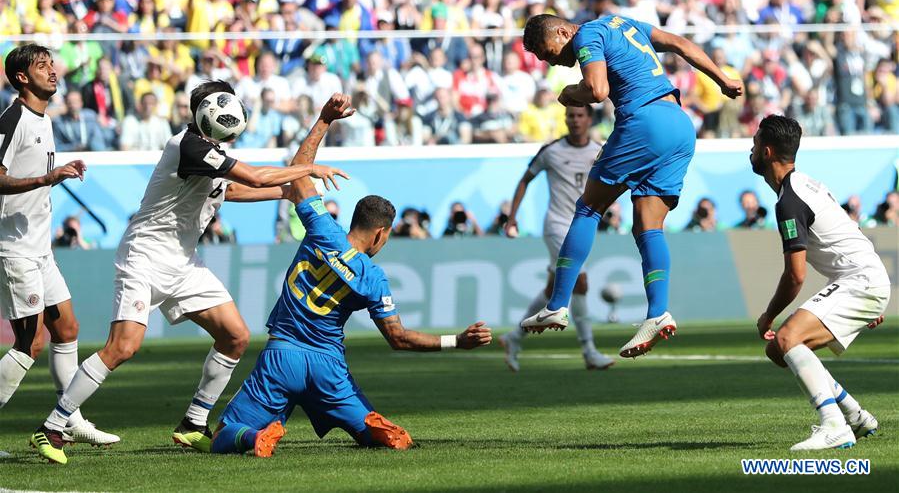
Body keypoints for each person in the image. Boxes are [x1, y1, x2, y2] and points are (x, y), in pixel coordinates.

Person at [30, 83, 350, 465]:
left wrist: (284, 192)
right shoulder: (188, 146)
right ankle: (52, 426)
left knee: (235, 336)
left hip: (183, 262)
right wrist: (307, 169)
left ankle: (193, 423)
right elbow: (254, 177)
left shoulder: (210, 151)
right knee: (123, 347)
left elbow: (227, 191)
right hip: (144, 258)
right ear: (207, 112)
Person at [209, 95, 492, 457]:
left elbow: (299, 172)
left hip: (282, 357)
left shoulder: (322, 229)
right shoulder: (373, 277)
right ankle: (372, 427)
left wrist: (325, 119)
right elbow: (399, 339)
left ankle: (255, 437)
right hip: (328, 368)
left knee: (225, 435)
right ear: (380, 234)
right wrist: (458, 341)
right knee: (371, 434)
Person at [517, 13, 742, 358]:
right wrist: (722, 79)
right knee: (647, 225)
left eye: (548, 51)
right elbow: (679, 43)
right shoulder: (621, 23)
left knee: (589, 208)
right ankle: (657, 313)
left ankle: (558, 304)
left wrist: (570, 93)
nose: (552, 61)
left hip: (644, 121)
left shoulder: (586, 36)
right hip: (680, 125)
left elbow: (597, 89)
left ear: (562, 31)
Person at [1, 44, 118, 453]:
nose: (52, 71)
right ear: (20, 77)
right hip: (12, 246)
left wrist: (53, 176)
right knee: (30, 343)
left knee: (66, 329)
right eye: (41, 66)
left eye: (52, 63)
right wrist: (46, 178)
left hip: (39, 246)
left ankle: (70, 420)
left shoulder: (43, 117)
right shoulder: (13, 117)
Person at [751, 115, 890, 451]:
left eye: (754, 143)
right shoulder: (808, 184)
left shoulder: (789, 200)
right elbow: (848, 231)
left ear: (767, 152)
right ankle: (854, 415)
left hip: (860, 280)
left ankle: (833, 425)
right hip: (863, 279)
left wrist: (768, 316)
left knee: (785, 336)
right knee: (779, 350)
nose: (751, 149)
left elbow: (796, 276)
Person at [501, 104, 613, 372]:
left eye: (580, 116)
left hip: (583, 224)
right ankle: (589, 351)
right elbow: (525, 180)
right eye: (570, 116)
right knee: (580, 281)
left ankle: (514, 337)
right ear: (565, 119)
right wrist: (512, 217)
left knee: (553, 289)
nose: (575, 120)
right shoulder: (552, 151)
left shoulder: (598, 150)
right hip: (557, 225)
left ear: (588, 119)